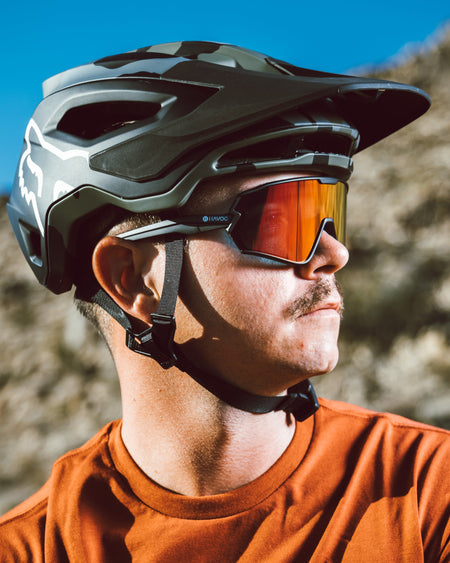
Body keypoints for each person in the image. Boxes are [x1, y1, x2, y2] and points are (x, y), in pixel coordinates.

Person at [1, 41, 448, 561]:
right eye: (282, 218)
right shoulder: (29, 549)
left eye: (330, 213)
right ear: (134, 279)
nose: (334, 253)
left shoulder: (428, 493)